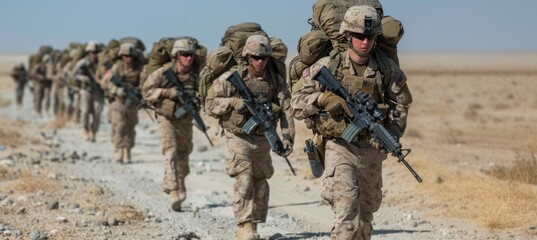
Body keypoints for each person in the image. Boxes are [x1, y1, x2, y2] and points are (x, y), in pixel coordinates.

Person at [291, 5, 412, 240]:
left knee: (366, 218)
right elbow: (296, 102)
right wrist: (323, 98)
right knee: (346, 217)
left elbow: (401, 104)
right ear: (347, 35)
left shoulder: (386, 68)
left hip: (372, 149)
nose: (365, 42)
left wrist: (391, 133)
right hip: (339, 146)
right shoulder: (327, 66)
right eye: (359, 36)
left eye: (370, 36)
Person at [205, 35, 295, 240]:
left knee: (260, 180)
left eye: (263, 57)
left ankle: (254, 222)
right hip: (238, 136)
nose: (260, 61)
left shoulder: (275, 80)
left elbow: (286, 110)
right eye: (255, 57)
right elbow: (210, 103)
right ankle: (243, 224)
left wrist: (287, 137)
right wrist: (232, 103)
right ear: (247, 56)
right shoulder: (231, 77)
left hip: (263, 136)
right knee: (244, 178)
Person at [141, 38, 200, 212]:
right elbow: (146, 92)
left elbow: (206, 94)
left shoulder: (196, 75)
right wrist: (167, 92)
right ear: (176, 56)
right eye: (184, 55)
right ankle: (173, 190)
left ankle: (181, 183)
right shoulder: (163, 72)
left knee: (184, 151)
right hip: (166, 117)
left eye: (191, 55)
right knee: (170, 151)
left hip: (185, 118)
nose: (188, 58)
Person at [103, 43, 143, 163]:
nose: (128, 58)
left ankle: (128, 151)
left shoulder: (139, 69)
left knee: (130, 127)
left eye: (130, 56)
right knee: (120, 126)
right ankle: (119, 150)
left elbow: (143, 84)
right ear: (121, 56)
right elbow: (107, 83)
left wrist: (138, 91)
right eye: (125, 56)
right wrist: (117, 90)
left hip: (132, 102)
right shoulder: (116, 67)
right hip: (119, 101)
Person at [72, 41, 104, 142]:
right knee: (85, 111)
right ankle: (85, 130)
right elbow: (73, 74)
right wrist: (82, 78)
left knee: (97, 113)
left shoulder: (101, 63)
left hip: (98, 91)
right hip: (86, 90)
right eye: (92, 52)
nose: (94, 54)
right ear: (88, 52)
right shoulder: (82, 63)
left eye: (96, 52)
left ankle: (94, 132)